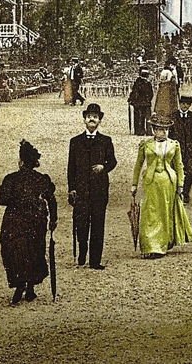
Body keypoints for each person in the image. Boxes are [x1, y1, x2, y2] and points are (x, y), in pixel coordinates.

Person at [0, 140, 58, 304]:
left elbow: (2, 200)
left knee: (14, 250)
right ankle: (30, 286)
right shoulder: (41, 179)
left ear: (21, 161)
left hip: (15, 219)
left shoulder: (11, 179)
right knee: (34, 250)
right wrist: (53, 219)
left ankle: (19, 283)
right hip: (35, 219)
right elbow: (51, 200)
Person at [131, 119, 192, 258]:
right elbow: (138, 165)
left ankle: (162, 245)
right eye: (160, 129)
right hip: (151, 182)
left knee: (164, 212)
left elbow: (179, 165)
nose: (163, 132)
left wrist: (180, 185)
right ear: (154, 130)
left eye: (165, 129)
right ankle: (149, 246)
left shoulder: (174, 145)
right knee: (150, 213)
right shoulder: (146, 145)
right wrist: (134, 184)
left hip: (168, 182)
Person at [67, 103, 117, 269]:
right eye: (89, 116)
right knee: (81, 224)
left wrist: (104, 167)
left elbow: (113, 162)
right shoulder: (75, 142)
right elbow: (71, 167)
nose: (92, 119)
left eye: (95, 117)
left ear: (99, 121)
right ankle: (82, 254)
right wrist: (71, 188)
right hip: (81, 190)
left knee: (97, 225)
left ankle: (95, 260)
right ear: (84, 119)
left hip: (99, 190)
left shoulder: (105, 141)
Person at [170, 95, 192, 203]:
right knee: (176, 171)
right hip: (177, 149)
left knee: (191, 171)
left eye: (187, 104)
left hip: (191, 149)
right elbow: (170, 134)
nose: (185, 106)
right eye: (183, 104)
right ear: (180, 104)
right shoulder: (172, 116)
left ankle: (186, 192)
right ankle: (177, 192)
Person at [128, 67, 154, 135]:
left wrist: (131, 100)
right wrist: (148, 100)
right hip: (146, 103)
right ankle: (148, 131)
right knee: (147, 118)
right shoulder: (148, 83)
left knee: (139, 118)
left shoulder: (137, 83)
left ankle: (140, 131)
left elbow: (135, 93)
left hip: (139, 103)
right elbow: (151, 94)